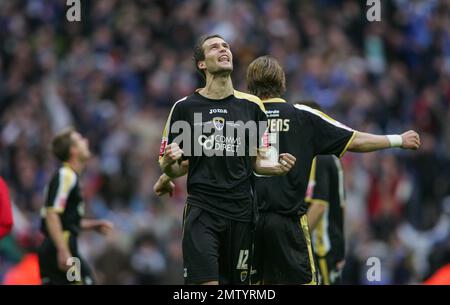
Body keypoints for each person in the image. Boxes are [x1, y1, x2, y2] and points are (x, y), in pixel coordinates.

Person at [245, 56, 420, 284]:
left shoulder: (242, 118)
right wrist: (398, 139)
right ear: (282, 81)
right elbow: (355, 139)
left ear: (249, 85)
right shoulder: (302, 116)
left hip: (250, 224)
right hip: (289, 224)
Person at [158, 34, 296, 285]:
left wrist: (275, 168)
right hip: (203, 212)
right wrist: (168, 163)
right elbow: (172, 166)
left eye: (226, 46)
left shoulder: (253, 106)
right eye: (214, 47)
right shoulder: (185, 108)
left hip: (242, 214)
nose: (223, 50)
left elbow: (259, 161)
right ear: (202, 64)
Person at [38, 128, 114, 285]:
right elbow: (52, 214)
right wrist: (62, 250)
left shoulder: (69, 176)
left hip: (60, 246)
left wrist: (92, 225)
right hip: (60, 247)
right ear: (73, 150)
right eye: (80, 139)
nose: (85, 141)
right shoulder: (66, 175)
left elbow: (64, 220)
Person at [301, 101, 347, 285]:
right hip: (333, 245)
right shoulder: (331, 155)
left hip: (321, 248)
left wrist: (295, 240)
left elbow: (319, 206)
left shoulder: (318, 157)